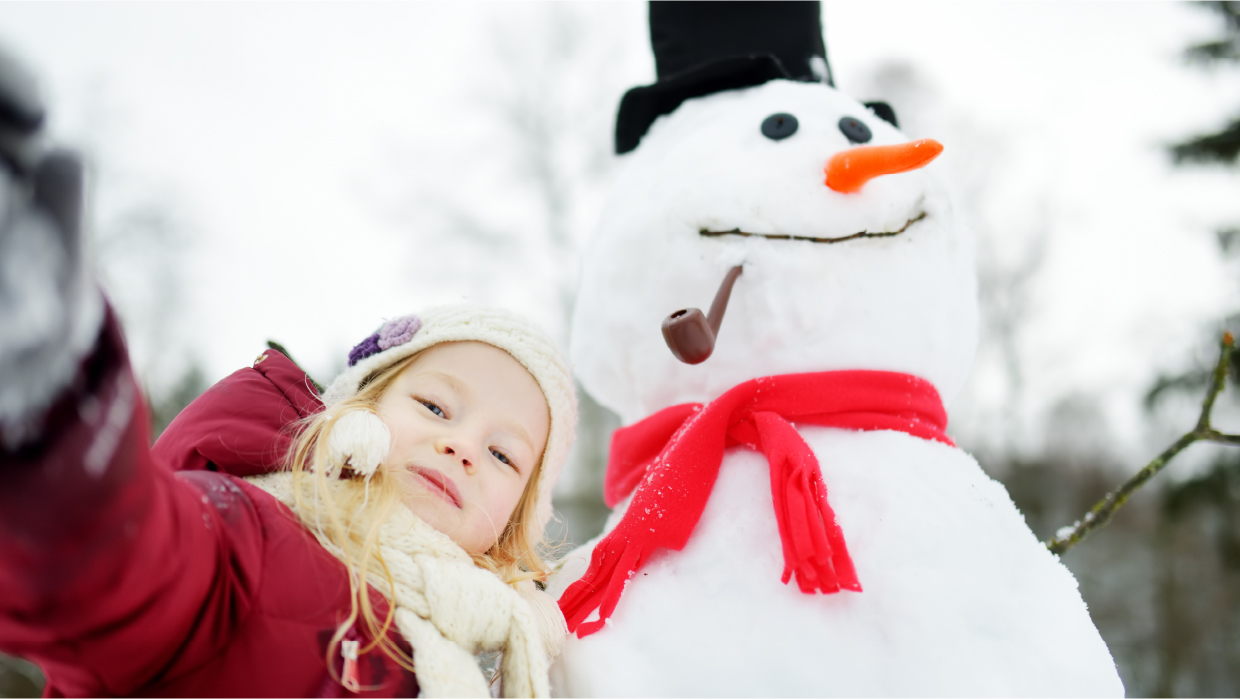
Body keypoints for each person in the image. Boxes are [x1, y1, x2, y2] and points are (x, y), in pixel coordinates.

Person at [0, 47, 575, 698]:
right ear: (357, 414)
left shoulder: (496, 653)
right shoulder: (256, 540)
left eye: (503, 453)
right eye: (437, 407)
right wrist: (56, 418)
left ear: (513, 526)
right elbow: (115, 565)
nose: (462, 446)